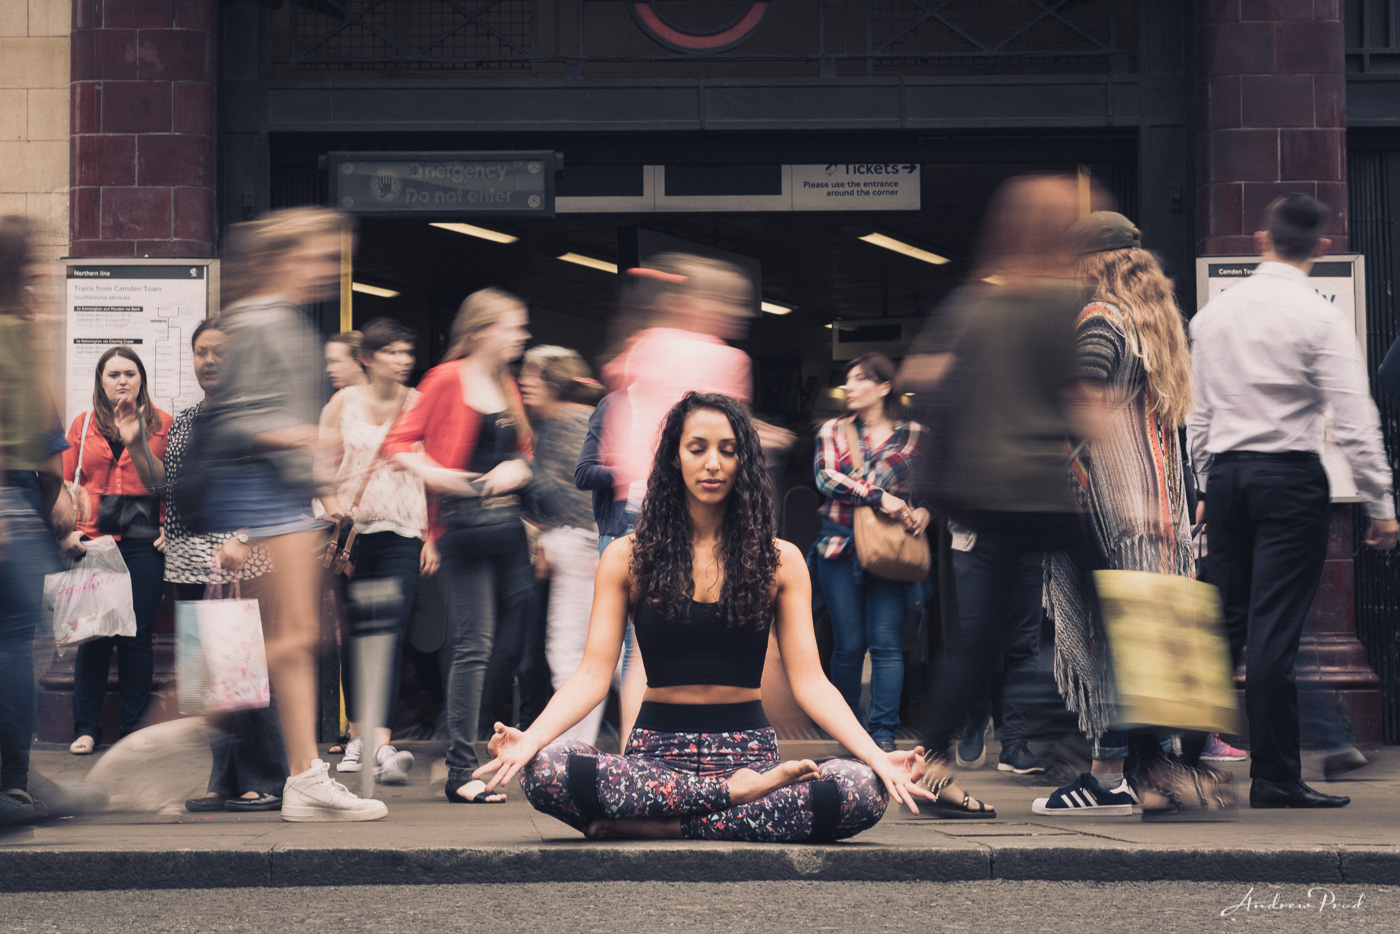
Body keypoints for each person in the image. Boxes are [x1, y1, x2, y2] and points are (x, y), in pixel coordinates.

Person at [476, 392, 943, 840]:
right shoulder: (626, 556)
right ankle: (728, 799)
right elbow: (593, 676)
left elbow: (811, 682)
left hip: (753, 759)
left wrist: (877, 757)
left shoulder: (781, 560)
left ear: (744, 462)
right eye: (697, 448)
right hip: (655, 760)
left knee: (862, 789)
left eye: (727, 450)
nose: (713, 463)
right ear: (674, 458)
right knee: (543, 769)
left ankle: (670, 824)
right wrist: (530, 739)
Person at [898, 174, 1107, 819]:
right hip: (1040, 492)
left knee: (979, 638)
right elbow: (1082, 403)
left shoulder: (971, 303)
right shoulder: (1063, 300)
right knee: (1112, 612)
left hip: (977, 497)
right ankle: (1137, 755)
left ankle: (930, 762)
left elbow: (916, 376)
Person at [1188, 193, 1398, 810]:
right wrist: (1379, 504)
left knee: (1221, 626)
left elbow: (1199, 418)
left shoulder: (1214, 317)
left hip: (1227, 478)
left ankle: (1173, 760)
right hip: (1289, 481)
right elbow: (1356, 421)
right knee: (1274, 633)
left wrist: (1206, 483)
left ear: (1261, 240)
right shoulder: (1320, 318)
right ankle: (1275, 777)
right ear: (1321, 248)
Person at [205, 206, 386, 821]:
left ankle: (303, 772)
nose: (330, 269)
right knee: (291, 637)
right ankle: (301, 773)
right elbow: (235, 420)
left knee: (294, 636)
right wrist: (300, 441)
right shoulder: (260, 321)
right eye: (321, 256)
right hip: (260, 496)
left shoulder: (279, 319)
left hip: (278, 496)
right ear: (285, 256)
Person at [1032, 211, 1210, 816]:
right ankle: (1160, 774)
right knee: (1147, 638)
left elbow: (1081, 404)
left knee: (1109, 638)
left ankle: (1107, 778)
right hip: (1164, 513)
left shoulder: (1101, 320)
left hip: (1113, 508)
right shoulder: (1156, 322)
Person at [382, 287, 534, 804]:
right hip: (465, 532)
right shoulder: (446, 378)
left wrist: (517, 467)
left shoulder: (506, 382)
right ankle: (460, 771)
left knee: (510, 646)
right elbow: (399, 442)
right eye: (513, 325)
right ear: (484, 329)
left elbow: (524, 451)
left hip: (506, 534)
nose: (521, 335)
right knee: (475, 646)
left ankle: (494, 751)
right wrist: (441, 477)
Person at [167, 319, 289, 813]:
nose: (209, 361)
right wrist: (134, 441)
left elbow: (278, 487)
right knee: (213, 681)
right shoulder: (184, 419)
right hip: (189, 565)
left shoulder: (252, 417)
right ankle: (224, 779)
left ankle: (268, 778)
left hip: (242, 564)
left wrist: (244, 535)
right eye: (201, 352)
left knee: (247, 674)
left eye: (219, 352)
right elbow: (175, 488)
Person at [318, 317, 428, 785]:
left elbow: (437, 466)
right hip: (355, 536)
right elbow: (319, 464)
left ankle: (379, 741)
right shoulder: (343, 402)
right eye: (393, 352)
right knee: (358, 637)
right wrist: (331, 503)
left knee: (393, 633)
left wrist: (434, 536)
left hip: (404, 532)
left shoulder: (422, 403)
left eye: (408, 352)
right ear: (368, 358)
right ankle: (361, 737)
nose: (403, 360)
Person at [812, 352, 927, 753]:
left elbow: (928, 490)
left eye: (860, 379)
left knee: (886, 644)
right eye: (848, 379)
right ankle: (850, 730)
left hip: (892, 550)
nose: (850, 386)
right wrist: (879, 497)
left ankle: (883, 734)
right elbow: (825, 477)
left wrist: (924, 512)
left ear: (883, 387)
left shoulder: (915, 434)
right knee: (848, 643)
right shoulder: (833, 430)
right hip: (839, 547)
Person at [63, 346, 172, 755]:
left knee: (137, 638)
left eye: (130, 373)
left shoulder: (163, 424)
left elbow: (172, 485)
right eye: (113, 374)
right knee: (93, 637)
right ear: (101, 380)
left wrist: (170, 526)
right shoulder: (83, 423)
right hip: (95, 542)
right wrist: (67, 532)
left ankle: (133, 731)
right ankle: (86, 729)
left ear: (141, 379)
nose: (122, 380)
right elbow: (63, 483)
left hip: (144, 543)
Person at [0, 216, 67, 823]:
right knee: (15, 639)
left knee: (19, 639)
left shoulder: (18, 331)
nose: (44, 278)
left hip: (18, 502)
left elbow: (44, 431)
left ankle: (16, 774)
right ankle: (10, 781)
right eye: (35, 267)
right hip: (5, 506)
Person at [520, 348, 607, 744]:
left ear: (553, 387)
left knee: (569, 650)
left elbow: (564, 493)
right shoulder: (588, 418)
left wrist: (521, 475)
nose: (526, 386)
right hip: (591, 544)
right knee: (604, 651)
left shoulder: (561, 423)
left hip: (578, 547)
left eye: (535, 379)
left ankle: (573, 747)